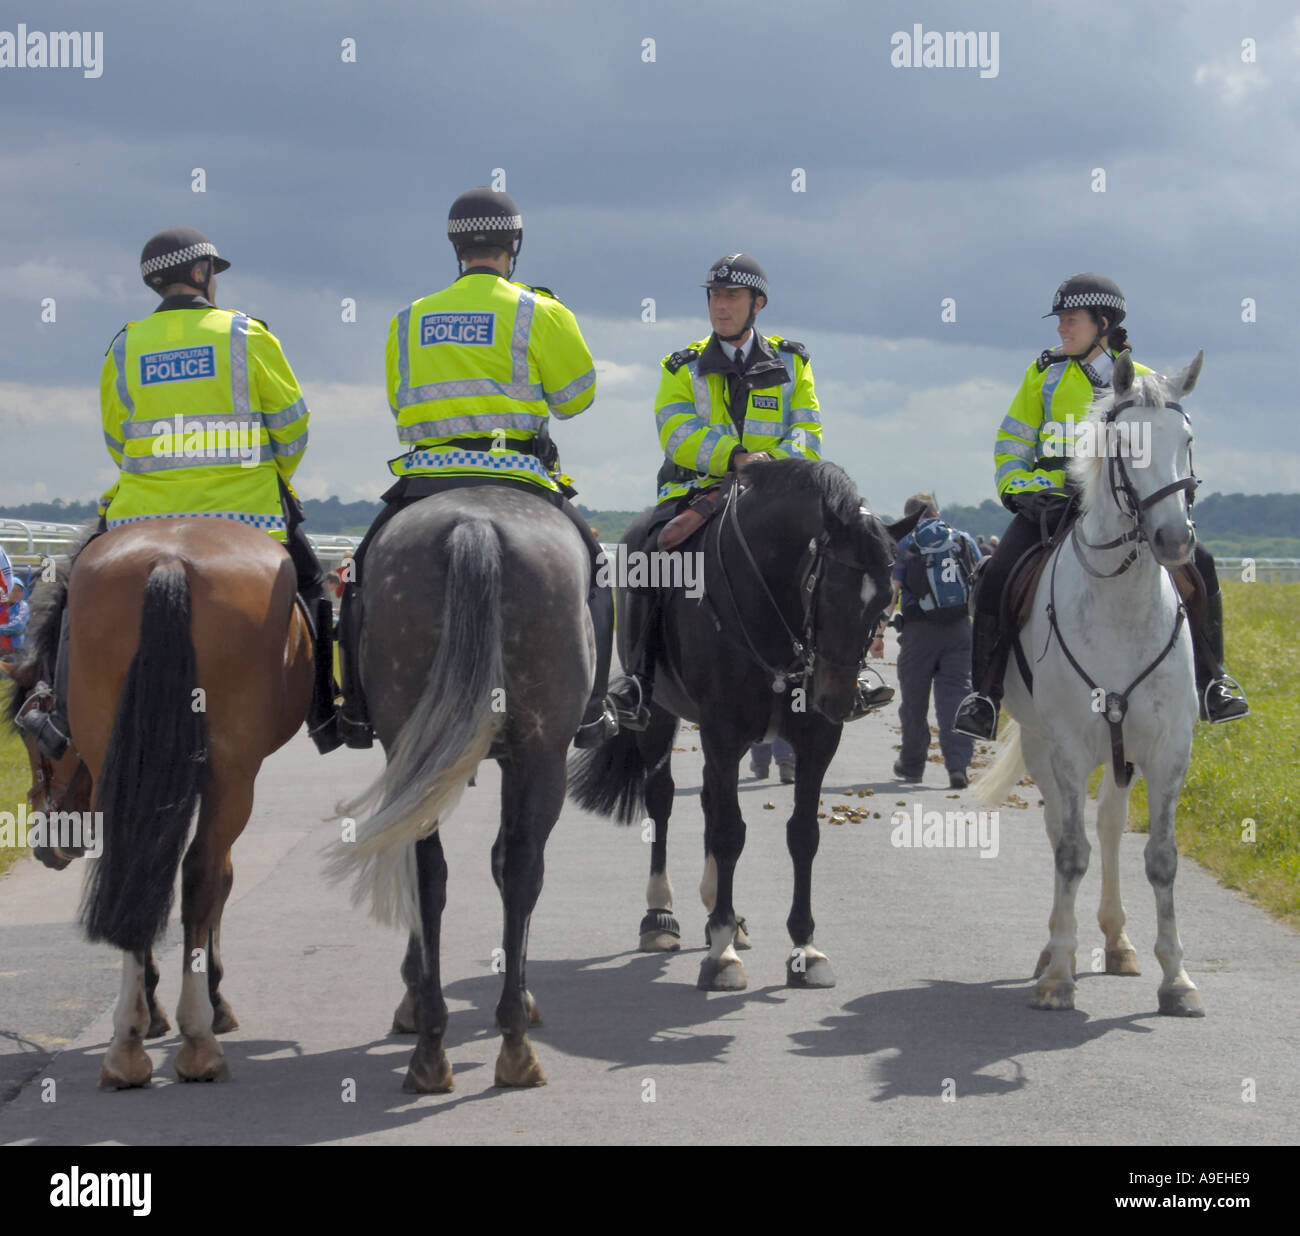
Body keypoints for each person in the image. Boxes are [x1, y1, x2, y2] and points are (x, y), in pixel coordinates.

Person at [17, 227, 342, 757]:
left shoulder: (125, 345)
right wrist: (272, 476)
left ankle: (56, 716)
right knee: (311, 590)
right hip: (248, 514)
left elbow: (118, 439)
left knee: (70, 604)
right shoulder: (246, 335)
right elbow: (292, 428)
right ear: (200, 274)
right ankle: (326, 711)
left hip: (138, 516)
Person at [336, 187, 612, 749]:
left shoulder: (410, 318)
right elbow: (577, 397)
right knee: (599, 575)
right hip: (518, 474)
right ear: (515, 245)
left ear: (455, 246)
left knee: (359, 581)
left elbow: (400, 403)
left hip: (427, 477)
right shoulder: (539, 310)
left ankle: (356, 711)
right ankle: (590, 709)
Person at [952, 273, 1248, 740]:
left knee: (1201, 565)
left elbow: (1165, 456)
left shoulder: (1149, 384)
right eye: (1061, 321)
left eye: (1070, 320)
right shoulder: (1043, 374)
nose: (1061, 330)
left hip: (1126, 511)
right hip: (1048, 508)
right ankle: (985, 695)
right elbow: (1012, 441)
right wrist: (1021, 487)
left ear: (1102, 322)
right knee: (995, 574)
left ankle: (1213, 680)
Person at [606, 254, 889, 726]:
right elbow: (675, 430)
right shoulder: (682, 365)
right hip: (700, 488)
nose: (720, 306)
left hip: (775, 495)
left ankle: (845, 672)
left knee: (838, 556)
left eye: (732, 296)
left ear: (757, 303)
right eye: (715, 296)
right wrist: (735, 457)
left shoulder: (793, 361)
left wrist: (767, 468)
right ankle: (637, 680)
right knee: (644, 548)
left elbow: (808, 430)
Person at [871, 493, 980, 788]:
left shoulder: (906, 544)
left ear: (910, 518)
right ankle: (958, 766)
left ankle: (912, 765)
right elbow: (981, 580)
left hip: (919, 632)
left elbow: (892, 591)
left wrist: (879, 634)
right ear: (937, 511)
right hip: (959, 629)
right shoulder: (963, 540)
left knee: (914, 703)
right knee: (956, 698)